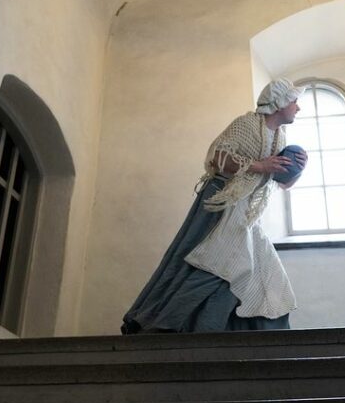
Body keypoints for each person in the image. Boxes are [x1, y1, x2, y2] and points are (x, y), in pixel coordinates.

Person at [121, 79, 308, 334]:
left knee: (266, 273)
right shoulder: (247, 124)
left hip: (248, 212)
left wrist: (297, 168)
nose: (298, 108)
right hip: (223, 201)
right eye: (294, 101)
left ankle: (257, 336)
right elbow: (217, 157)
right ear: (279, 103)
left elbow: (281, 182)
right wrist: (260, 166)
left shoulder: (280, 136)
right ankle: (171, 326)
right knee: (218, 265)